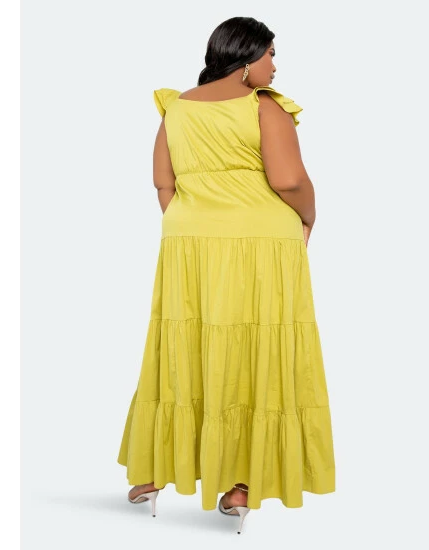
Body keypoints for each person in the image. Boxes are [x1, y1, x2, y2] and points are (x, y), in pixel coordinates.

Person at [116, 16, 335, 534]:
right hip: (261, 244)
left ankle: (152, 473)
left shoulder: (176, 108)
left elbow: (163, 185)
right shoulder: (263, 108)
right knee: (255, 353)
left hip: (188, 244)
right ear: (246, 58)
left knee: (182, 347)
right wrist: (310, 216)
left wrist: (195, 226)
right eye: (270, 54)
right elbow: (288, 180)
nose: (275, 66)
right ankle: (239, 484)